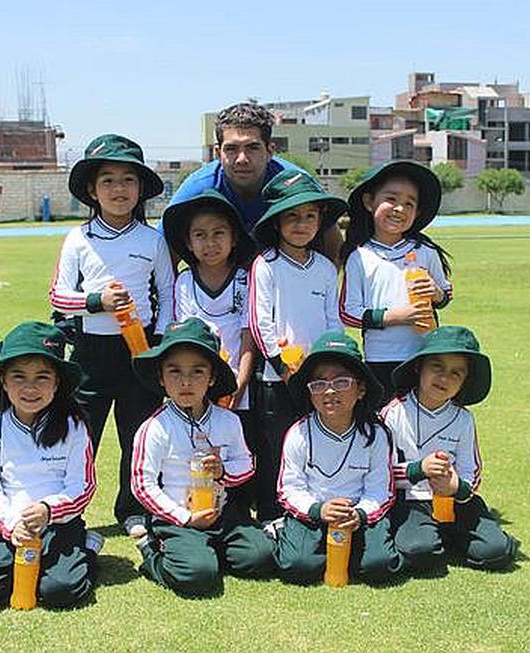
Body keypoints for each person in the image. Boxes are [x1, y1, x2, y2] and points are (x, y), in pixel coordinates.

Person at [49, 133, 175, 538]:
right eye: (108, 180)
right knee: (80, 434)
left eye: (128, 180)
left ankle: (133, 508)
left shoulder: (153, 240)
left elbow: (169, 292)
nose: (118, 190)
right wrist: (96, 301)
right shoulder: (78, 239)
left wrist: (162, 340)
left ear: (141, 189)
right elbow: (58, 296)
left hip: (139, 349)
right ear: (91, 189)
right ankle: (69, 508)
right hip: (90, 353)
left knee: (137, 433)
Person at [0, 322, 97, 613]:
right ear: (3, 381)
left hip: (58, 522)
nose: (30, 388)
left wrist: (48, 510)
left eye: (42, 377)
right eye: (19, 377)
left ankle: (86, 547)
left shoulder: (74, 426)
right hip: (7, 523)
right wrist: (10, 525)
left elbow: (82, 487)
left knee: (59, 591)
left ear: (57, 383)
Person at [130, 318, 275, 597]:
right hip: (177, 516)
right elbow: (142, 484)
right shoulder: (155, 427)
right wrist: (185, 518)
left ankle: (210, 548)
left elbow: (246, 465)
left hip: (223, 513)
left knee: (262, 557)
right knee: (198, 575)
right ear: (161, 377)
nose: (186, 381)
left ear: (211, 378)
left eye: (197, 372)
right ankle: (152, 551)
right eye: (174, 372)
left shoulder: (228, 421)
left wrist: (223, 471)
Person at [248, 169, 345, 525]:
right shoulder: (266, 265)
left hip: (318, 377)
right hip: (277, 379)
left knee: (314, 444)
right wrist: (283, 366)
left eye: (309, 216)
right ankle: (272, 515)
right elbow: (261, 323)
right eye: (292, 216)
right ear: (276, 223)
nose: (301, 224)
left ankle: (310, 509)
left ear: (320, 222)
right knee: (274, 447)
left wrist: (333, 364)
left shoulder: (323, 267)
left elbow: (333, 320)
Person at [381, 325, 519, 572]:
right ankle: (431, 537)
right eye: (437, 367)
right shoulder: (394, 412)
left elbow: (472, 471)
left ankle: (453, 536)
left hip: (455, 500)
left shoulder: (463, 418)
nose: (444, 378)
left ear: (464, 381)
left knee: (495, 551)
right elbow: (379, 472)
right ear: (418, 367)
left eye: (456, 373)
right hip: (412, 499)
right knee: (419, 551)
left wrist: (457, 487)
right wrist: (417, 469)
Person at [274, 331, 402, 585]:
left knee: (379, 566)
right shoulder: (299, 433)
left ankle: (353, 548)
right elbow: (290, 488)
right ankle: (284, 531)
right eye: (319, 384)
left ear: (361, 389)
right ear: (310, 393)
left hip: (358, 514)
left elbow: (380, 489)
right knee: (297, 567)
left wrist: (361, 514)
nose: (329, 391)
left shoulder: (376, 435)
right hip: (314, 511)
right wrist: (318, 510)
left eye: (342, 382)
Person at [162, 189, 258, 504]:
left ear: (234, 238)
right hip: (198, 382)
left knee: (234, 447)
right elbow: (182, 339)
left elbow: (248, 336)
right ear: (188, 243)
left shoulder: (246, 279)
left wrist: (240, 385)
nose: (210, 242)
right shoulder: (185, 283)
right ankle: (188, 504)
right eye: (200, 235)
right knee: (196, 446)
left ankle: (238, 509)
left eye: (219, 233)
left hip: (236, 383)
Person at [168, 102, 343, 261]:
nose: (241, 159)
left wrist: (322, 287)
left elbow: (332, 242)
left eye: (252, 148)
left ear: (270, 151)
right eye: (231, 149)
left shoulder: (295, 182)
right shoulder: (198, 188)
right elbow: (164, 248)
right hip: (223, 281)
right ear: (217, 153)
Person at [339, 160, 452, 398]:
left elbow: (446, 294)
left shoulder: (425, 251)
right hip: (379, 358)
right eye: (391, 199)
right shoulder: (359, 257)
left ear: (417, 213)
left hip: (422, 355)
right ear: (369, 202)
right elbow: (348, 312)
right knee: (384, 424)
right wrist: (394, 317)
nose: (400, 209)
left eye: (409, 203)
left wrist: (436, 293)